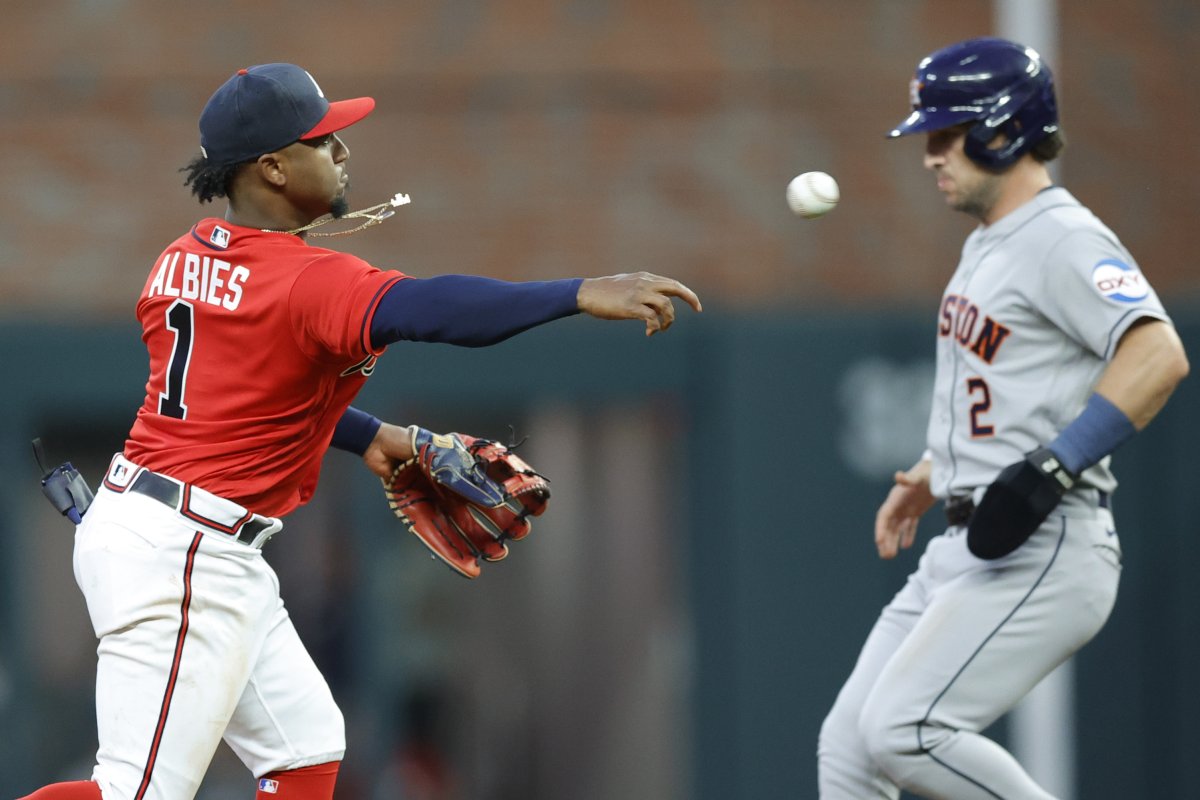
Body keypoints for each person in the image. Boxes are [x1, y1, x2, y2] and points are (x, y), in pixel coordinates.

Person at [21, 63, 701, 800]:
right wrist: (576, 293)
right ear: (273, 167)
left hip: (169, 529)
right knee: (132, 792)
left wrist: (377, 437)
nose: (342, 151)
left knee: (305, 746)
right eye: (322, 139)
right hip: (186, 552)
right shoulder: (310, 281)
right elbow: (433, 308)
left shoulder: (180, 260)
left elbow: (257, 395)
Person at [817, 37, 1188, 799]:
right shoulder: (993, 241)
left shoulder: (1063, 235)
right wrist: (932, 472)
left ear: (1001, 129)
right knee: (851, 747)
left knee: (905, 729)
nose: (930, 154)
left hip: (1045, 540)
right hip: (969, 540)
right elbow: (1009, 386)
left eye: (945, 133)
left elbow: (1159, 355)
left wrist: (1056, 462)